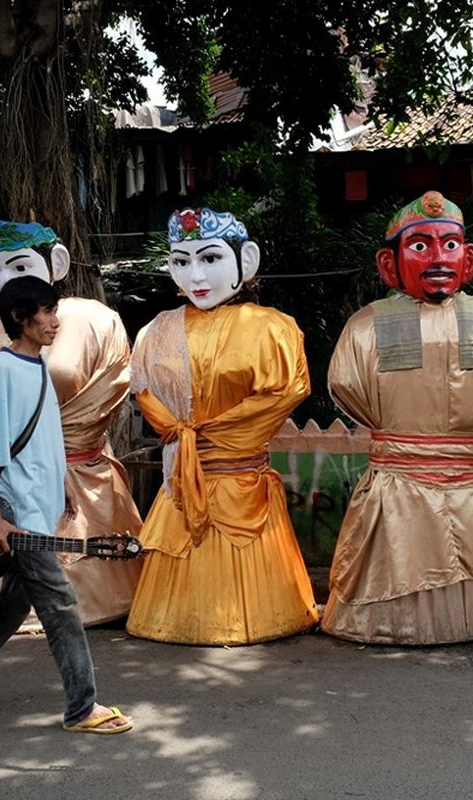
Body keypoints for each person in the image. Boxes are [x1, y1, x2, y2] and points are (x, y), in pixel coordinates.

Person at [322, 191, 473, 645]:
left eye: (449, 245)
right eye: (420, 246)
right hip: (401, 483)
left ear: (469, 259)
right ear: (390, 264)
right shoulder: (366, 326)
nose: (438, 257)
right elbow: (348, 386)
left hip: (438, 479)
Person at [0, 276, 132, 734]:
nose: (55, 321)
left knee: (9, 609)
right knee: (61, 605)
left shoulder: (36, 365)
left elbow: (43, 436)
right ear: (22, 318)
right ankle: (83, 709)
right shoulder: (2, 368)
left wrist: (61, 484)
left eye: (54, 311)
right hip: (16, 511)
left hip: (37, 507)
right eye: (46, 312)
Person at [124, 207, 319, 645]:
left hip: (239, 476)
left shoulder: (271, 327)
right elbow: (143, 391)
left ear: (245, 261)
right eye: (181, 261)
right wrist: (182, 432)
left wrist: (202, 435)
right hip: (184, 475)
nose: (196, 275)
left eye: (210, 259)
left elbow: (283, 393)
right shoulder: (156, 330)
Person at [0, 220, 142, 628]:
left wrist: (63, 452)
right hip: (17, 481)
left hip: (81, 471)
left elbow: (108, 392)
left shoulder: (96, 320)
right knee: (21, 590)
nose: (5, 279)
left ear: (56, 262)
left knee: (59, 588)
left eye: (19, 267)